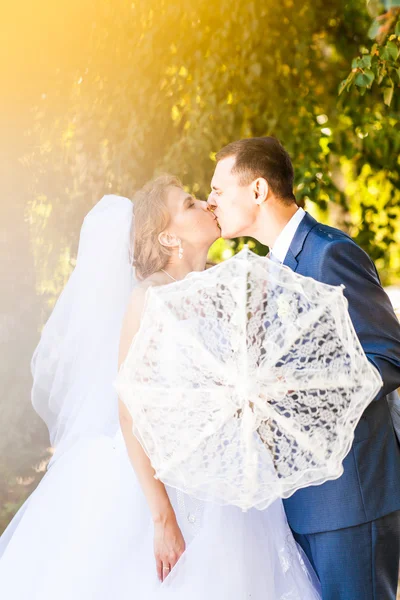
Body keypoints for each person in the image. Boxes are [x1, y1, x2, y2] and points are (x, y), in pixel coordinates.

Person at [0, 175, 321, 599]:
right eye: (189, 204)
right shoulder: (149, 300)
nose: (206, 203)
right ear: (169, 236)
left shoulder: (229, 284)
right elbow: (130, 412)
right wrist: (162, 517)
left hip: (232, 481)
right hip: (163, 486)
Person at [208, 136, 400, 600]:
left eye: (217, 188)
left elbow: (389, 356)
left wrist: (296, 388)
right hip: (301, 500)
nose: (210, 199)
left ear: (257, 190)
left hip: (351, 499)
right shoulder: (268, 268)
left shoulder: (330, 253)